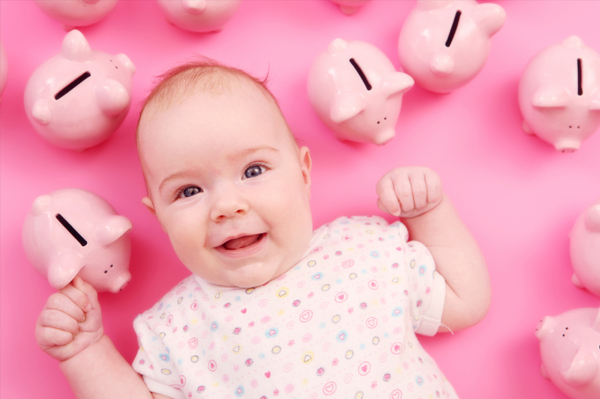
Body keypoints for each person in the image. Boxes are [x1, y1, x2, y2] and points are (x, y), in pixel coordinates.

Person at [35, 59, 491, 399]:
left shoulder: (362, 249)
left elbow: (465, 302)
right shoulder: (178, 328)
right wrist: (86, 354)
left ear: (304, 172)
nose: (227, 206)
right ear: (158, 216)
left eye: (253, 171)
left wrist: (429, 213)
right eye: (189, 192)